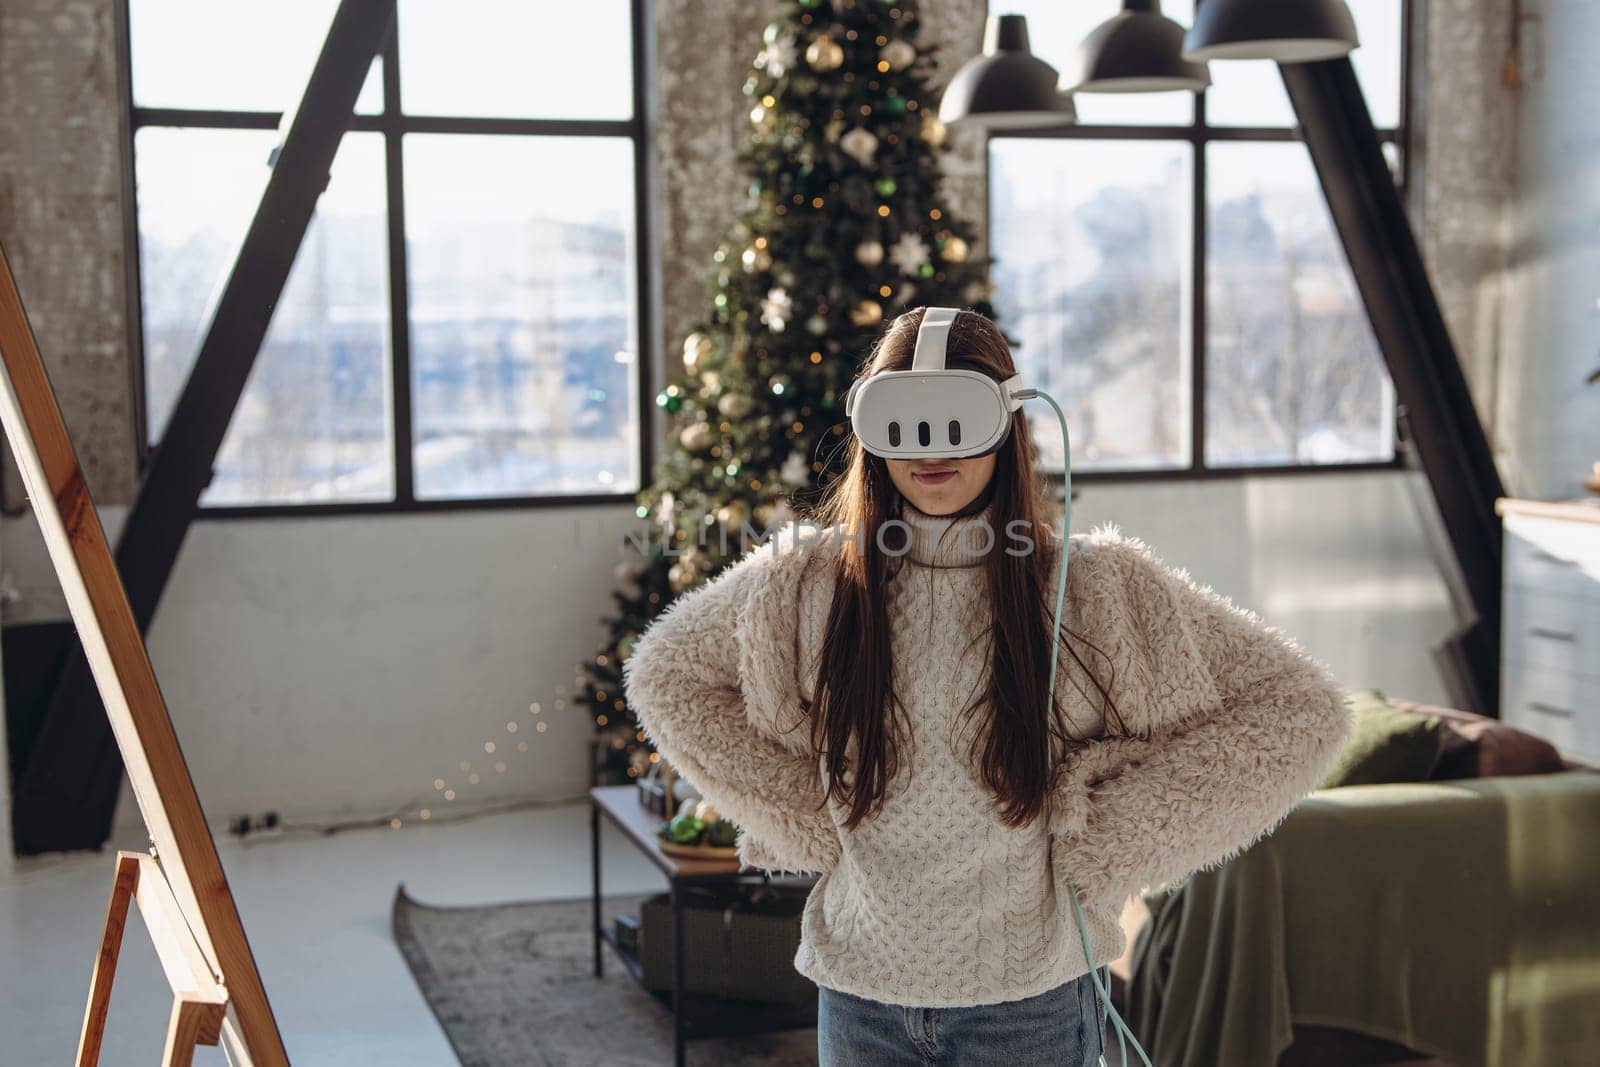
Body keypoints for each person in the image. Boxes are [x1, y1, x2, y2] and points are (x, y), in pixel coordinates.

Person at [622, 307, 1351, 1066]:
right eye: (905, 419)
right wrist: (804, 814)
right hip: (860, 993)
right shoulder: (806, 583)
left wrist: (1116, 832)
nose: (932, 449)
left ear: (1008, 424)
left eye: (959, 417)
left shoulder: (1093, 590)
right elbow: (664, 673)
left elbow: (1301, 708)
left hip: (1030, 1005)